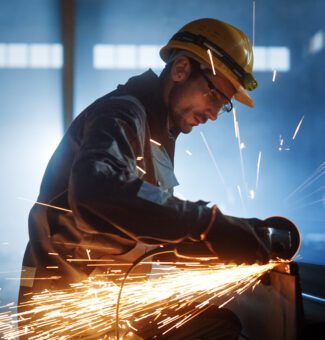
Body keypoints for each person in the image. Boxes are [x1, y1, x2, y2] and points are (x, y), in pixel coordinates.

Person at [18, 18, 270, 339]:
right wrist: (207, 224)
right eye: (215, 95)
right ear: (180, 70)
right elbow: (98, 191)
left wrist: (219, 240)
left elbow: (140, 218)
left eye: (223, 106)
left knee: (217, 325)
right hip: (67, 313)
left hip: (109, 305)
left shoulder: (157, 132)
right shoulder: (121, 114)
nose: (213, 113)